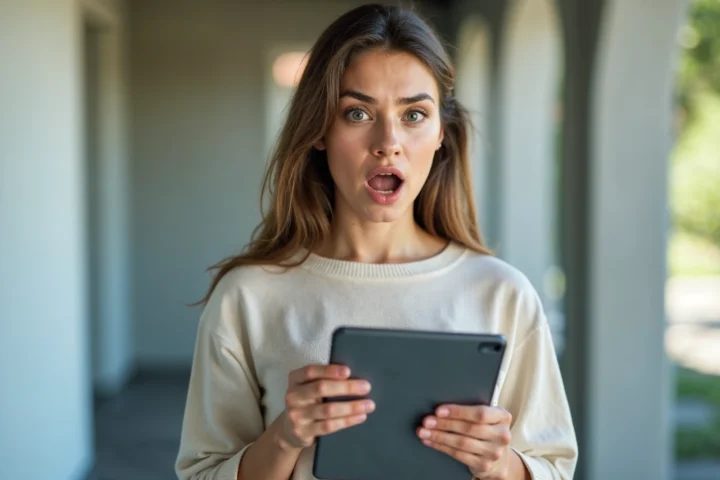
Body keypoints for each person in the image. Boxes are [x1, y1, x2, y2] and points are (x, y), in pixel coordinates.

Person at [175, 3, 578, 480]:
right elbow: (202, 473)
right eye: (358, 112)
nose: (388, 141)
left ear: (441, 135)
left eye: (414, 114)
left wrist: (501, 464)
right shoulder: (247, 296)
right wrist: (285, 436)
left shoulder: (502, 294)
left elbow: (552, 469)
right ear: (320, 130)